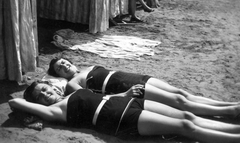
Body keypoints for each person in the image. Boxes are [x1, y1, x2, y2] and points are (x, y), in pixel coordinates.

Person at [8, 81, 240, 143]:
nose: (47, 94)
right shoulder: (56, 111)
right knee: (186, 127)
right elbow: (16, 103)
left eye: (46, 89)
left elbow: (105, 97)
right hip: (119, 119)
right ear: (39, 103)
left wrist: (127, 94)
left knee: (188, 116)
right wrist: (33, 103)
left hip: (127, 103)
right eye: (41, 95)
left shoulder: (71, 93)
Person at [46, 57, 240, 118]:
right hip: (121, 85)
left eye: (63, 62)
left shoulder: (88, 66)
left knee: (180, 93)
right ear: (59, 75)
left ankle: (228, 105)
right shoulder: (73, 83)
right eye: (59, 68)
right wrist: (124, 94)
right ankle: (231, 111)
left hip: (131, 76)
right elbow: (90, 97)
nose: (64, 66)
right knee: (179, 101)